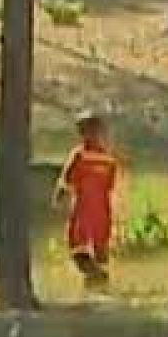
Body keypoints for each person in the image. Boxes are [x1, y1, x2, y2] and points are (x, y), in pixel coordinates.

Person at [54, 111, 119, 288]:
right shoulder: (108, 157)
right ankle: (98, 281)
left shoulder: (81, 155)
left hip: (85, 210)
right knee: (97, 249)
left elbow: (67, 180)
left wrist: (59, 196)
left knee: (79, 248)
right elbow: (110, 185)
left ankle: (97, 279)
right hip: (100, 210)